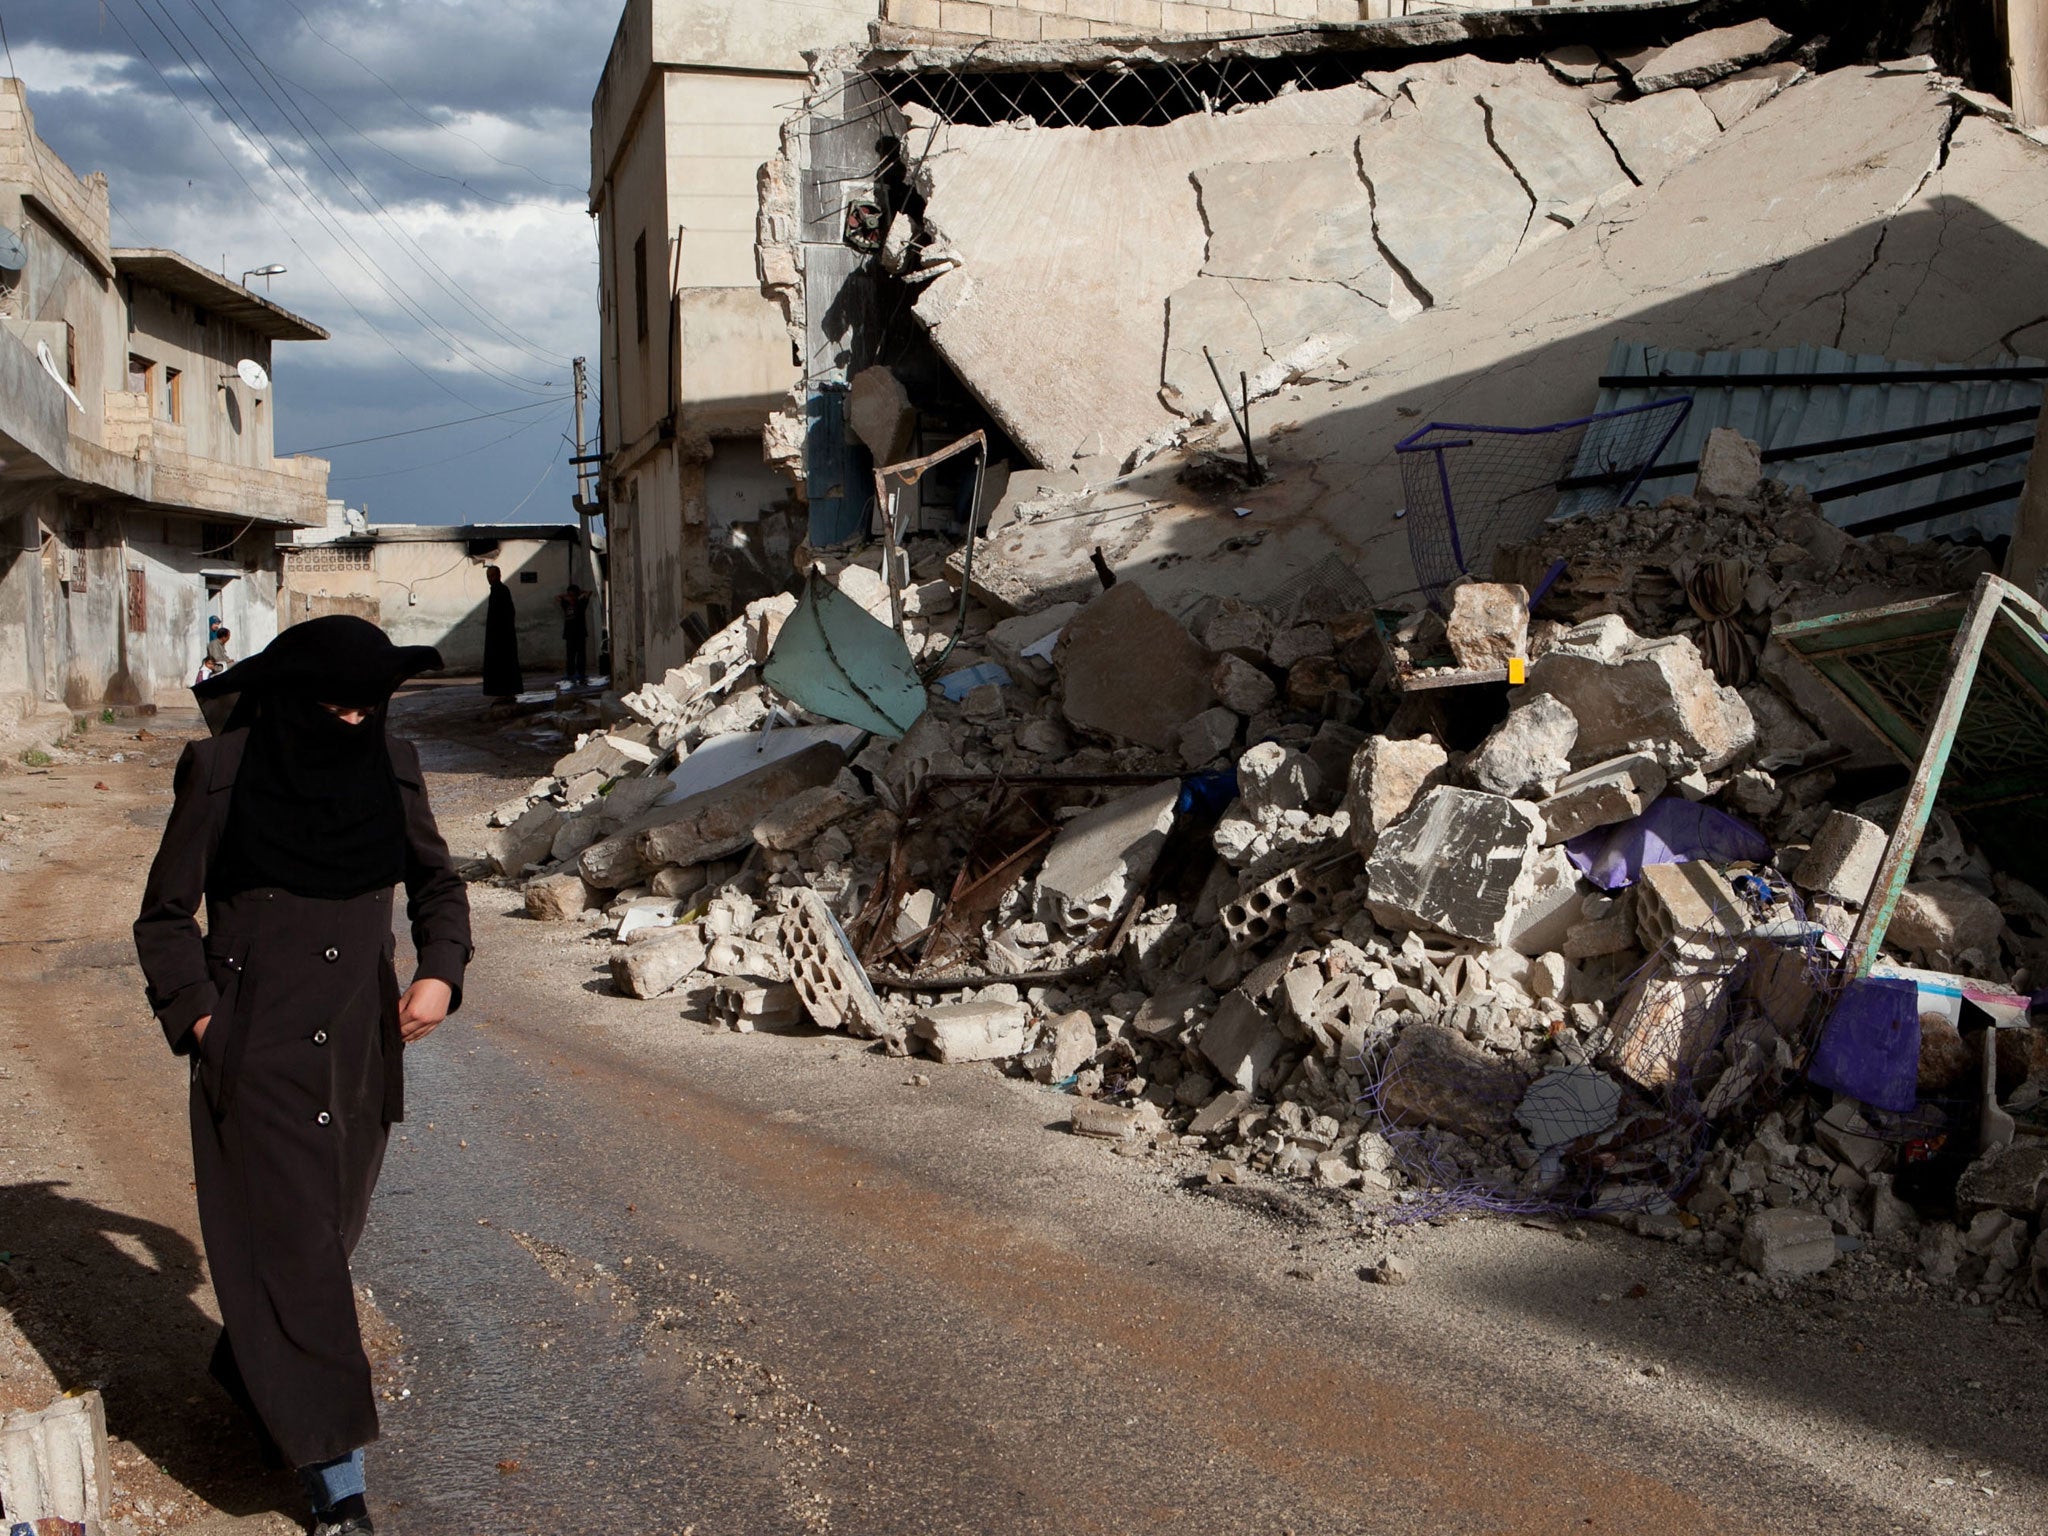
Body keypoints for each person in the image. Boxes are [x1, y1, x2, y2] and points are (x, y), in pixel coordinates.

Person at [134, 616, 472, 1536]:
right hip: (256, 1056)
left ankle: (250, 1369)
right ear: (290, 700)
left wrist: (440, 971)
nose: (354, 722)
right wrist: (207, 1021)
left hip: (361, 1055)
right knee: (302, 1259)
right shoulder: (224, 771)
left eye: (371, 705)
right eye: (335, 706)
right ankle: (337, 1489)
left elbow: (437, 885)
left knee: (326, 1235)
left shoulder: (392, 764)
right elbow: (164, 917)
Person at [480, 565, 522, 699]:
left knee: (503, 665)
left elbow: (508, 612)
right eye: (488, 576)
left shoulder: (502, 590)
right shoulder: (496, 591)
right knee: (498, 665)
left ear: (499, 575)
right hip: (497, 635)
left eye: (492, 576)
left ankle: (506, 693)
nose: (490, 579)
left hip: (502, 637)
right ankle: (503, 692)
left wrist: (502, 632)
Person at [558, 581, 591, 687]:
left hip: (580, 633)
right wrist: (567, 596)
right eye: (570, 595)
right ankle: (570, 673)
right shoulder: (566, 604)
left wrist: (580, 593)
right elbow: (558, 597)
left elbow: (589, 593)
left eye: (573, 595)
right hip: (569, 634)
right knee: (570, 655)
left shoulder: (581, 603)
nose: (571, 598)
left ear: (577, 595)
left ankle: (581, 673)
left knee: (581, 655)